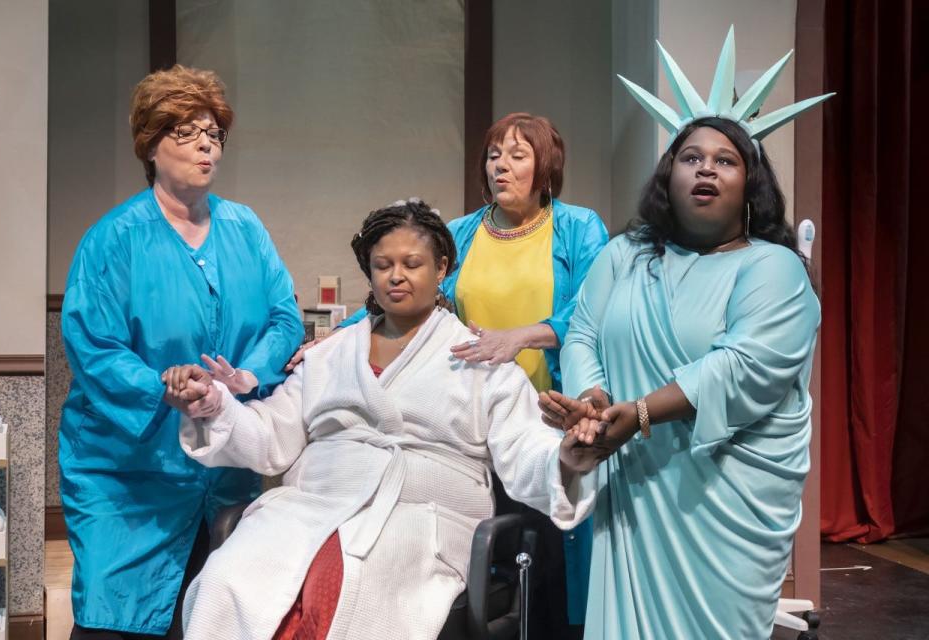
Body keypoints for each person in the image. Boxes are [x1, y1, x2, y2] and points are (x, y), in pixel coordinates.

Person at [163, 199, 601, 640]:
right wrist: (213, 405)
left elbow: (525, 445)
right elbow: (269, 434)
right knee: (226, 580)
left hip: (419, 520)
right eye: (382, 264)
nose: (396, 276)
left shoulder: (480, 363)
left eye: (412, 263)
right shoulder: (330, 354)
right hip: (310, 509)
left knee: (342, 590)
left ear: (442, 266)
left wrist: (563, 457)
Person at [540, 29, 832, 638]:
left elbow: (745, 367)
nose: (706, 169)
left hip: (721, 505)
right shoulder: (624, 255)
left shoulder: (773, 268)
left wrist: (640, 414)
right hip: (635, 490)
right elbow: (583, 332)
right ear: (668, 177)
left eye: (725, 161)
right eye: (690, 158)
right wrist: (594, 401)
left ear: (750, 187)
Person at [303, 113, 608, 634]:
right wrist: (341, 333)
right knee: (487, 564)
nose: (501, 168)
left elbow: (592, 312)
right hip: (476, 419)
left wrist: (521, 336)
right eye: (493, 156)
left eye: (517, 156)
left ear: (546, 167)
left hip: (550, 417)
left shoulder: (578, 228)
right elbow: (404, 294)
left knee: (552, 565)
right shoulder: (464, 233)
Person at [59, 64, 304, 639]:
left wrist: (247, 374)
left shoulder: (246, 228)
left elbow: (283, 315)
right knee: (115, 615)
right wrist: (162, 390)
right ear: (151, 143)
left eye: (214, 134)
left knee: (211, 612)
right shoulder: (114, 239)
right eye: (187, 132)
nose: (206, 145)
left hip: (222, 466)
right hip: (129, 473)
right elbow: (95, 347)